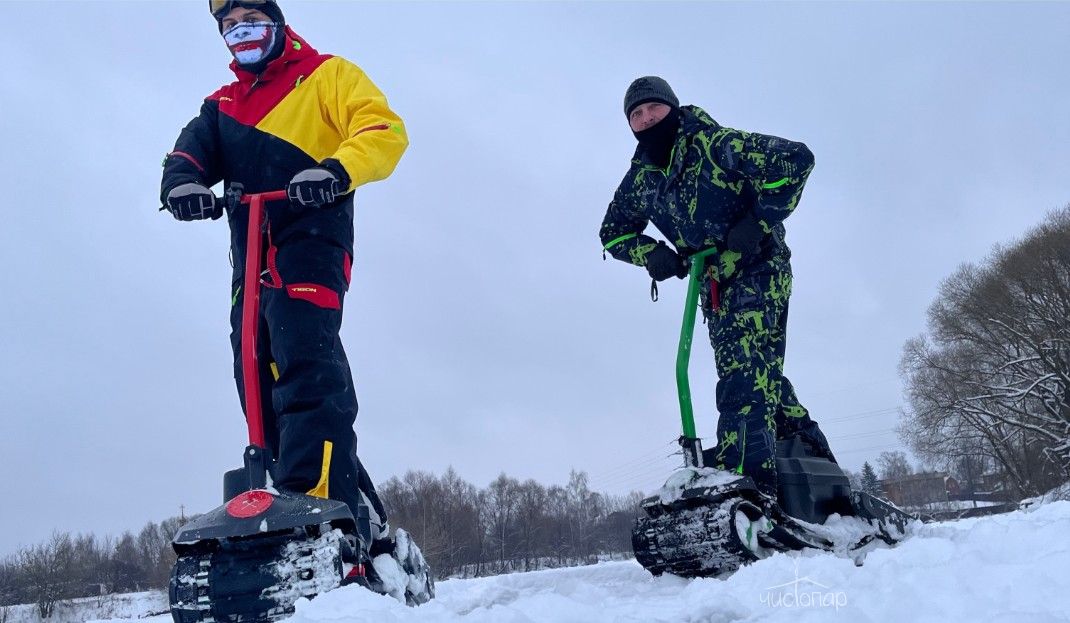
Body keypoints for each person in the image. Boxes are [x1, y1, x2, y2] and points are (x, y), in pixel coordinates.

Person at [160, 0, 407, 538]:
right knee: (251, 368)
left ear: (275, 21)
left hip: (311, 240)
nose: (239, 32)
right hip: (250, 252)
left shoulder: (327, 75)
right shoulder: (222, 105)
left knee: (304, 358)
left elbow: (383, 130)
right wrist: (181, 185)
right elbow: (187, 155)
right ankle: (294, 492)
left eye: (249, 20)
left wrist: (336, 170)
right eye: (228, 26)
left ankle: (320, 501)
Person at [599, 76, 836, 497]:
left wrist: (757, 221)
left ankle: (747, 490)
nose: (646, 118)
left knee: (743, 376)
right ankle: (825, 479)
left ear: (672, 107)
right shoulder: (641, 180)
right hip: (712, 285)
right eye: (636, 114)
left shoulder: (713, 145)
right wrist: (653, 254)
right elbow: (613, 232)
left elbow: (795, 160)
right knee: (761, 377)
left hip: (758, 267)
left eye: (653, 107)